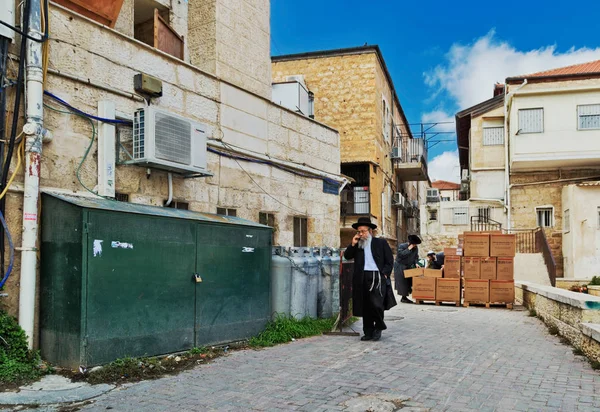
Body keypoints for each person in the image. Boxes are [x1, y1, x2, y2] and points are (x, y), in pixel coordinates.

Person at [344, 217, 394, 342]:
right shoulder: (357, 245)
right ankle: (368, 331)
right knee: (365, 305)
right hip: (362, 277)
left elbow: (389, 260)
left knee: (377, 305)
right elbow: (347, 256)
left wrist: (385, 274)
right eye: (359, 231)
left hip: (377, 277)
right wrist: (353, 244)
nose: (361, 234)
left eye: (363, 231)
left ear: (370, 231)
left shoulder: (380, 243)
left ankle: (379, 327)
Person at [393, 234, 421, 304]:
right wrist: (409, 249)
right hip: (400, 266)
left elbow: (416, 257)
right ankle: (404, 297)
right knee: (403, 282)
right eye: (414, 244)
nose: (415, 246)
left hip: (408, 266)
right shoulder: (402, 246)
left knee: (409, 281)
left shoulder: (415, 248)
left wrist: (416, 263)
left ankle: (406, 297)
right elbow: (401, 255)